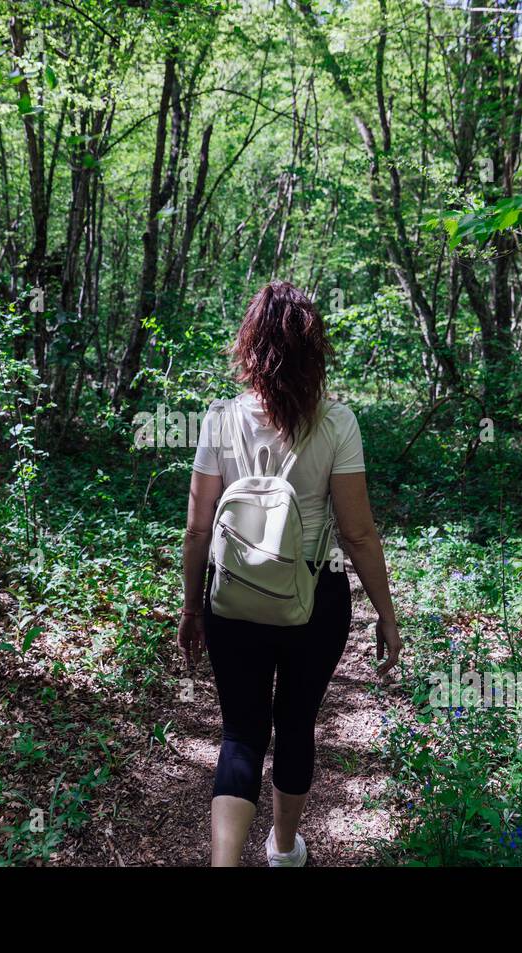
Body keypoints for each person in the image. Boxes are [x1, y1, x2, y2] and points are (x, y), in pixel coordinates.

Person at [177, 280, 402, 867]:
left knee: (240, 732)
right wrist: (385, 610)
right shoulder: (337, 422)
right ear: (314, 350)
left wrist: (191, 607)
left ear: (250, 345)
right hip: (317, 594)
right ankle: (283, 852)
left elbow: (199, 529)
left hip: (234, 595)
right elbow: (356, 533)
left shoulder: (220, 420)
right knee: (296, 723)